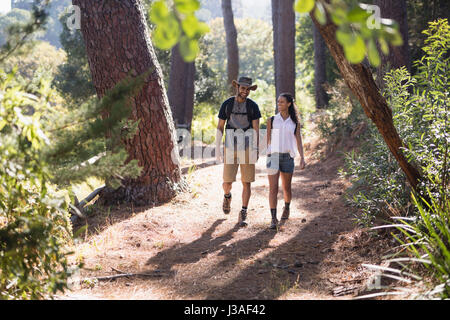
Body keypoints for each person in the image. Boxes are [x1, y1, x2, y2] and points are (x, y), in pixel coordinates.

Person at [216, 77, 261, 227]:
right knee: (227, 182)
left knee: (246, 182)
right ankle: (227, 196)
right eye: (243, 88)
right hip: (230, 144)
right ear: (237, 87)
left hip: (247, 146)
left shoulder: (253, 106)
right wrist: (217, 146)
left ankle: (243, 211)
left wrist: (256, 148)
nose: (245, 91)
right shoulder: (227, 104)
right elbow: (220, 126)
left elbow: (256, 129)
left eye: (248, 89)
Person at [266, 93, 306, 230]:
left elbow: (299, 141)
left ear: (289, 104)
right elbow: (268, 140)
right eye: (278, 102)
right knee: (273, 188)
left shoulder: (295, 123)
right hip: (273, 157)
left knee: (286, 188)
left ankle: (287, 207)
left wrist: (302, 158)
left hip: (288, 158)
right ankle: (273, 218)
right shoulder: (271, 120)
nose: (279, 104)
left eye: (282, 102)